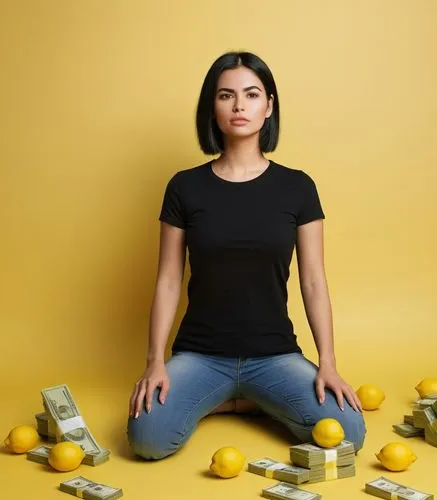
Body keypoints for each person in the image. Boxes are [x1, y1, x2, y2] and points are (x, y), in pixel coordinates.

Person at [127, 51, 366, 460]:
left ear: (268, 106)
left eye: (251, 94)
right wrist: (155, 362)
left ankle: (245, 399)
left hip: (275, 355)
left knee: (348, 434)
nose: (239, 106)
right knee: (147, 438)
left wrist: (327, 362)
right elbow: (168, 279)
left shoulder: (298, 187)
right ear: (212, 107)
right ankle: (241, 401)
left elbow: (313, 280)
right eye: (226, 95)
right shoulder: (185, 187)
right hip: (200, 354)